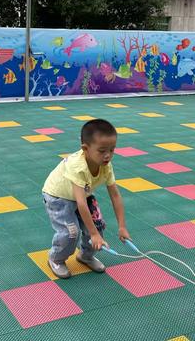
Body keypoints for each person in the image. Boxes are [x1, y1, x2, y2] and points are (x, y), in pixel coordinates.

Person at [42, 119, 130, 279]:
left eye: (112, 149)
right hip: (58, 197)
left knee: (98, 227)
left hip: (84, 194)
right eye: (102, 150)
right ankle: (56, 258)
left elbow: (115, 196)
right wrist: (93, 234)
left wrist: (122, 226)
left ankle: (85, 256)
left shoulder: (106, 165)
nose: (108, 155)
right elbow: (81, 204)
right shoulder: (78, 166)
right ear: (85, 149)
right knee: (71, 232)